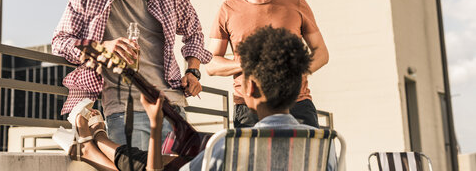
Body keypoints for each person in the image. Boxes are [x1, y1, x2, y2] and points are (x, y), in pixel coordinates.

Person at [64, 26, 336, 171]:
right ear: (299, 84)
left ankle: (93, 143)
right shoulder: (324, 145)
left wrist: (156, 126)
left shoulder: (230, 146)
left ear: (249, 89)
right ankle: (93, 144)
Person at [52, 0, 212, 149]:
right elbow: (59, 41)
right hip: (123, 109)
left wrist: (194, 71)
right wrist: (100, 48)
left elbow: (194, 32)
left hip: (171, 104)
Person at [206, 0, 329, 128]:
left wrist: (290, 75)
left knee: (309, 158)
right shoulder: (227, 9)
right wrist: (250, 64)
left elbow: (321, 53)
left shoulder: (296, 2)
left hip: (297, 104)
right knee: (251, 159)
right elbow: (212, 64)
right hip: (248, 107)